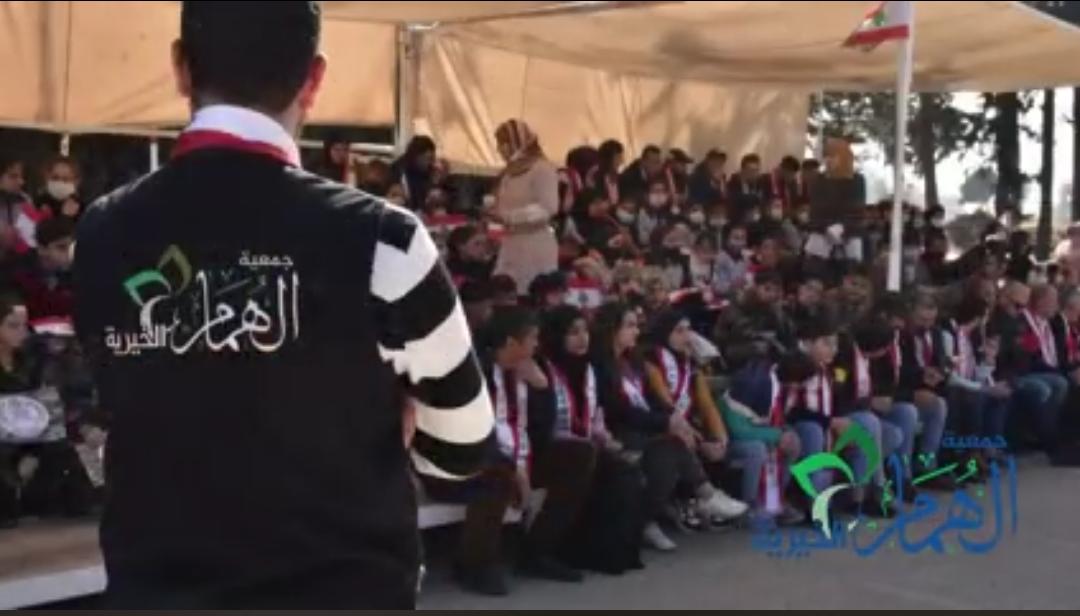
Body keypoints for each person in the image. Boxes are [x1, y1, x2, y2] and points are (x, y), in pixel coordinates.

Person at [72, 2, 494, 608]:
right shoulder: (386, 240)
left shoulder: (100, 234)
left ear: (181, 67)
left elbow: (117, 402)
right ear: (314, 79)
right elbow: (463, 451)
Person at [535, 306, 645, 575]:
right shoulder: (542, 369)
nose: (582, 338)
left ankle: (610, 554)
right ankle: (543, 552)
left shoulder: (588, 368)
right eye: (573, 332)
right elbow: (536, 424)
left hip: (583, 447)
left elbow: (595, 416)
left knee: (625, 472)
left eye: (585, 331)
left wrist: (605, 439)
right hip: (545, 449)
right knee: (587, 460)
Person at [643, 310, 749, 523]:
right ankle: (698, 499)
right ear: (665, 333)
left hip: (685, 424)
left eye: (688, 330)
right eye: (679, 331)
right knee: (682, 441)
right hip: (658, 424)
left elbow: (706, 404)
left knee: (714, 444)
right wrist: (693, 435)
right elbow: (665, 403)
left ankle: (703, 503)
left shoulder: (690, 364)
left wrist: (719, 439)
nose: (687, 337)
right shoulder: (651, 361)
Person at [0, 294, 95, 528]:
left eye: (24, 325)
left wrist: (32, 451)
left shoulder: (31, 360)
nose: (22, 332)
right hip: (4, 439)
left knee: (66, 450)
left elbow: (44, 406)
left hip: (33, 435)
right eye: (13, 326)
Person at [718, 355, 809, 525]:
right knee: (757, 449)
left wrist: (782, 433)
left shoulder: (776, 385)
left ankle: (775, 500)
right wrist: (775, 435)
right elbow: (737, 430)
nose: (801, 387)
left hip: (754, 431)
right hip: (728, 439)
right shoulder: (753, 383)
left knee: (792, 440)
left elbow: (772, 421)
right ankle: (749, 507)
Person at [491, 119, 560, 294]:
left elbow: (548, 207)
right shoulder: (509, 173)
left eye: (502, 143)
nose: (499, 149)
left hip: (535, 244)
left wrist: (509, 217)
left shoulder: (542, 169)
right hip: (511, 242)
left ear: (516, 142)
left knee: (532, 292)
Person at [896, 293, 955, 490]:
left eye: (931, 320)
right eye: (922, 320)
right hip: (903, 391)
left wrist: (940, 373)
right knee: (910, 412)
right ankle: (903, 475)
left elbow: (942, 362)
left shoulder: (936, 334)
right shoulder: (900, 335)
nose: (927, 324)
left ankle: (927, 466)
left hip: (929, 388)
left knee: (941, 404)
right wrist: (920, 377)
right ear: (910, 314)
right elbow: (896, 370)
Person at [13, 217, 75, 321]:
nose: (70, 252)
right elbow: (43, 305)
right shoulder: (21, 271)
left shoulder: (76, 268)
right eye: (62, 247)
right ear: (42, 249)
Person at [390, 135, 437, 212]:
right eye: (428, 158)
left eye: (433, 159)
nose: (431, 163)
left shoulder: (426, 171)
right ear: (417, 156)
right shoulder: (399, 171)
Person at [36, 156, 83, 222]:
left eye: (65, 179)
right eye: (55, 178)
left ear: (76, 182)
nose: (60, 182)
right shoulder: (37, 204)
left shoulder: (81, 210)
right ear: (46, 178)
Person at [711, 222, 751, 297]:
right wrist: (732, 285)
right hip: (724, 299)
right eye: (736, 238)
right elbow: (716, 286)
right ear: (727, 239)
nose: (739, 242)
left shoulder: (747, 259)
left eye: (742, 238)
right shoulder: (720, 259)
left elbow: (748, 282)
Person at [727, 154, 767, 223]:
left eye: (757, 170)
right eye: (751, 170)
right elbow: (733, 209)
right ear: (742, 170)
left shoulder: (761, 183)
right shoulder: (733, 185)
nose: (754, 174)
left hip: (758, 222)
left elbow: (764, 203)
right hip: (738, 222)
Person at [592, 139, 625, 205]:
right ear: (607, 159)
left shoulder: (622, 179)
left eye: (621, 157)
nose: (621, 161)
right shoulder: (596, 180)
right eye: (618, 157)